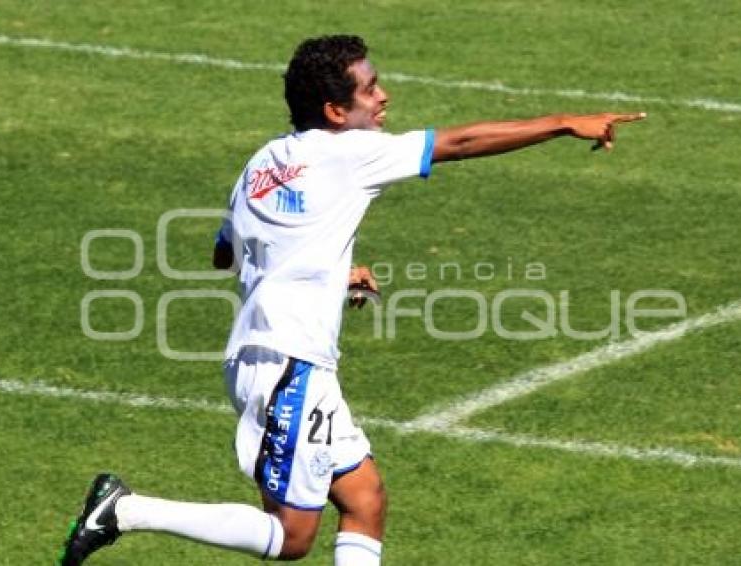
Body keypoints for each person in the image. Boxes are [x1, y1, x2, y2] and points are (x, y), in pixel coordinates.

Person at [60, 34, 644, 565]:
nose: (383, 97)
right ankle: (127, 510)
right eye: (370, 90)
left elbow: (227, 256)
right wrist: (566, 122)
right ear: (337, 112)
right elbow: (461, 142)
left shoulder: (262, 163)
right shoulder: (348, 151)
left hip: (271, 355)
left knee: (365, 497)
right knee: (291, 537)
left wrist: (327, 271)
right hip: (290, 366)